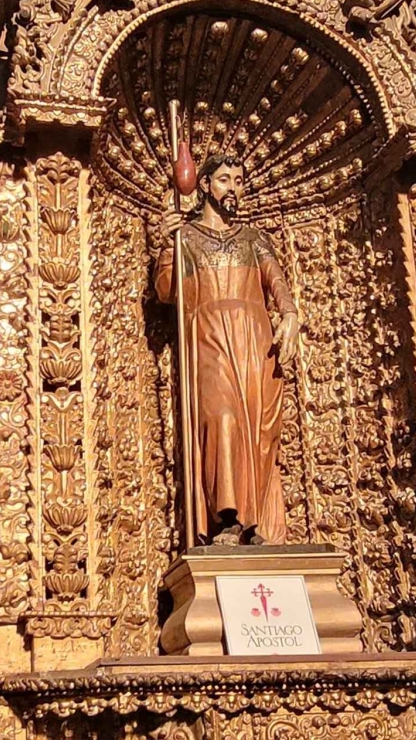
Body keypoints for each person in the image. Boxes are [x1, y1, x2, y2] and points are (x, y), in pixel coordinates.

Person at [156, 154, 299, 546]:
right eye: (224, 179)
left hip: (254, 339)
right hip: (209, 337)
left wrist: (288, 313)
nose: (232, 187)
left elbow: (276, 280)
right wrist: (167, 244)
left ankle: (255, 524)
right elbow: (167, 291)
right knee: (220, 417)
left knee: (259, 431)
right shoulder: (186, 238)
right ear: (204, 185)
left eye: (238, 180)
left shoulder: (252, 238)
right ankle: (227, 518)